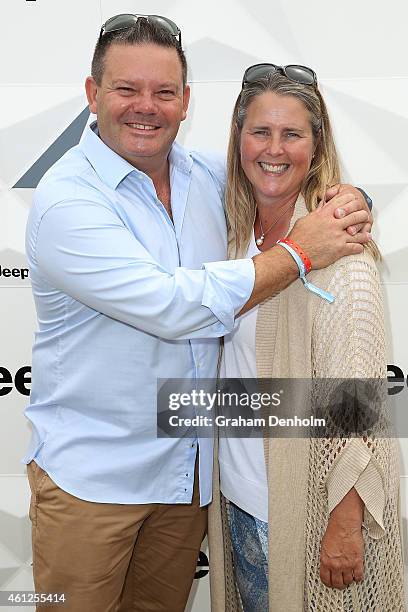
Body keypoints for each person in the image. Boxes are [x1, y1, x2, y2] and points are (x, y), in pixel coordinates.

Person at [24, 15, 372, 612]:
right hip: (92, 487)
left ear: (186, 102)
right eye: (126, 89)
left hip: (187, 483)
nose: (146, 107)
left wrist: (351, 199)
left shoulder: (205, 176)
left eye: (163, 92)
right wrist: (300, 252)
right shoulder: (67, 202)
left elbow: (279, 170)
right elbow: (172, 306)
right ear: (92, 93)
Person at [208, 64, 404, 611]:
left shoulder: (341, 258)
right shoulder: (234, 235)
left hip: (302, 512)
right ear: (238, 140)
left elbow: (357, 408)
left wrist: (344, 524)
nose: (274, 149)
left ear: (316, 148)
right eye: (260, 132)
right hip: (238, 501)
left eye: (292, 134)